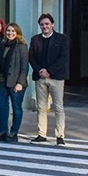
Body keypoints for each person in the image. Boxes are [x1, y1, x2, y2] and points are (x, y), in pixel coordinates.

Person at [28, 13, 69, 146]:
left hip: (56, 78)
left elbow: (63, 58)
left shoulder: (62, 39)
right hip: (40, 77)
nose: (44, 26)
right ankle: (41, 134)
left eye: (47, 24)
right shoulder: (35, 39)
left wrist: (49, 71)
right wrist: (40, 70)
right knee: (41, 107)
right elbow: (31, 57)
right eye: (42, 24)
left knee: (58, 107)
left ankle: (60, 136)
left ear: (52, 24)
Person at [0, 22, 29, 143]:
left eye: (13, 31)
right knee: (0, 106)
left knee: (16, 108)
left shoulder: (21, 46)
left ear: (17, 33)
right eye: (8, 31)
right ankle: (3, 131)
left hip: (16, 82)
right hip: (1, 81)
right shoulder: (3, 45)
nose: (10, 33)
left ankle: (14, 132)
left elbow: (24, 66)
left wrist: (20, 82)